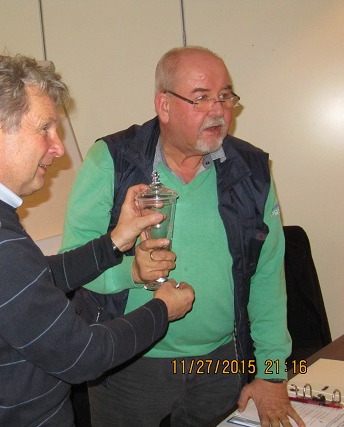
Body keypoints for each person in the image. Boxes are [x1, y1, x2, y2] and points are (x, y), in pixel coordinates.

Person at [0, 54, 194, 427]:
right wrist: (162, 309)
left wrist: (114, 243)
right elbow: (83, 356)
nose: (59, 148)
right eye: (45, 129)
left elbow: (28, 281)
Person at [61, 46, 305, 427]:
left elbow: (268, 275)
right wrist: (132, 272)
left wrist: (272, 372)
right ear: (164, 105)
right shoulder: (112, 160)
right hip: (129, 364)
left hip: (221, 363)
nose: (218, 110)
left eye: (225, 96)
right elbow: (73, 262)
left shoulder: (252, 170)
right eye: (201, 97)